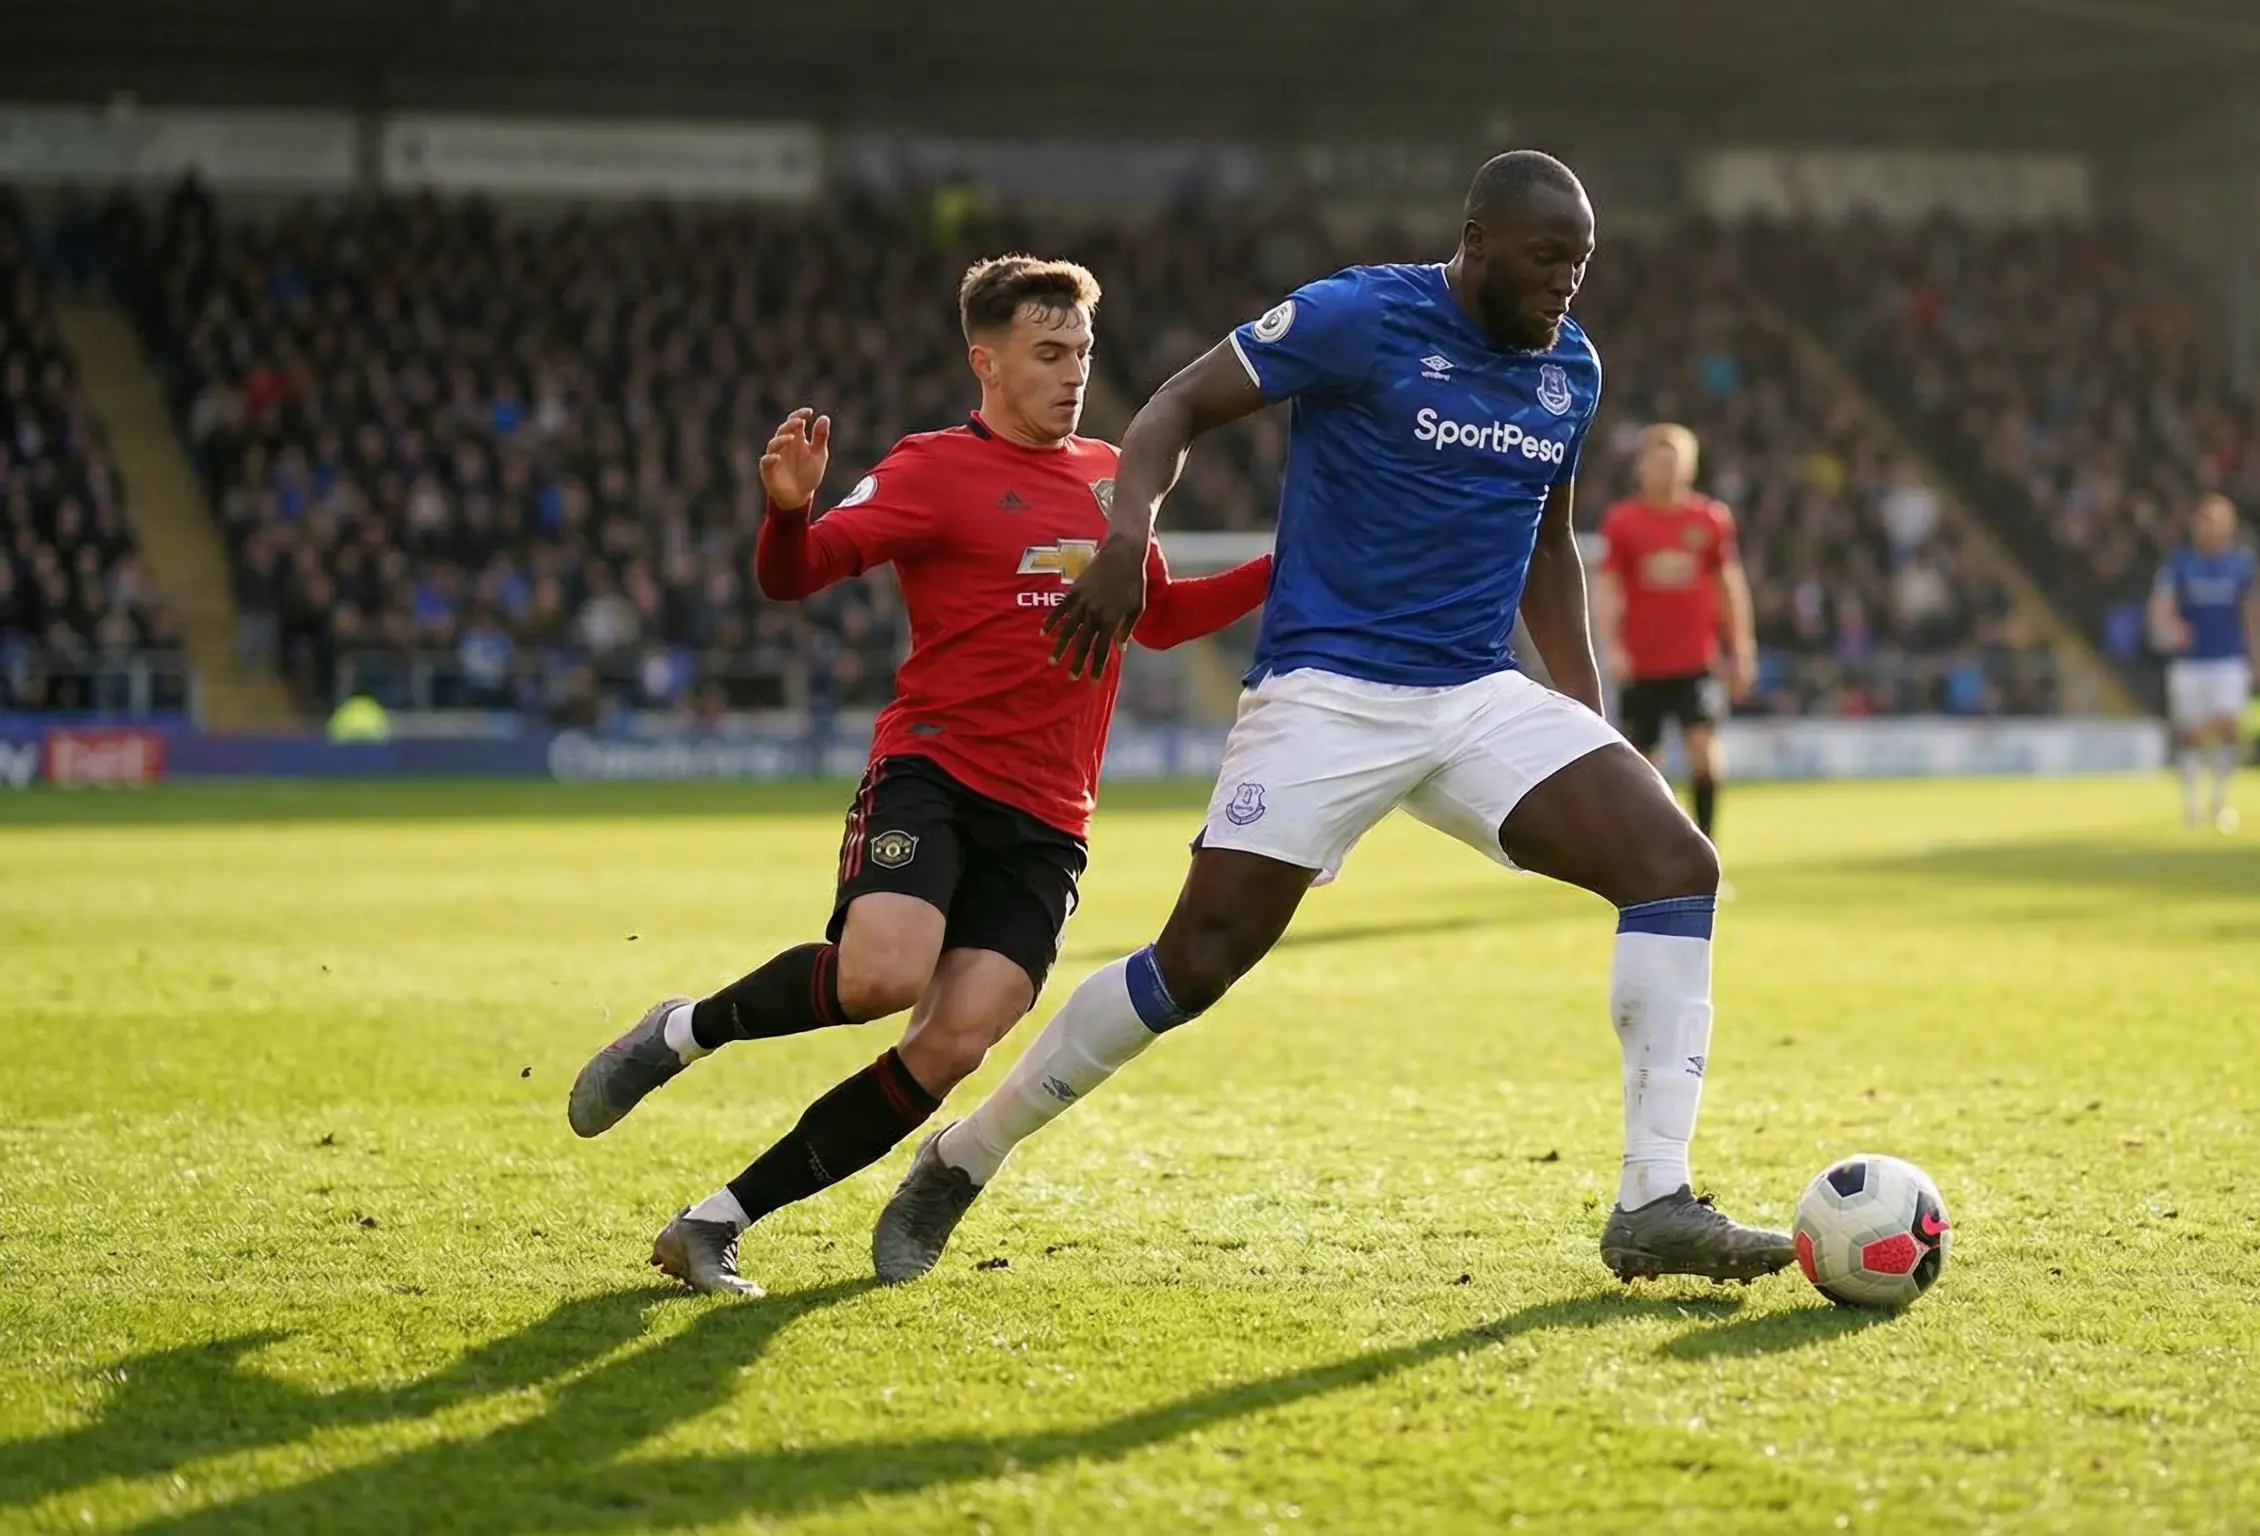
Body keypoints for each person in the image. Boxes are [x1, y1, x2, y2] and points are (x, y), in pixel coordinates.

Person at [864, 150, 1794, 1289]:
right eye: (1548, 260)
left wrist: (1586, 721)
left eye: (1582, 264)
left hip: (1469, 690)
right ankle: (963, 1157)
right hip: (1326, 693)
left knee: (1673, 865)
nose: (1567, 285)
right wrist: (1121, 543)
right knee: (1195, 964)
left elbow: (1546, 548)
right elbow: (1173, 409)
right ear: (1479, 241)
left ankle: (1652, 1197)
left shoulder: (1570, 372)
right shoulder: (1360, 315)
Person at [563, 255, 1272, 1297]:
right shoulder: (929, 468)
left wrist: (1283, 564)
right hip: (934, 767)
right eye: (1048, 351)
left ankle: (715, 1222)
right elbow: (794, 576)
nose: (1072, 369)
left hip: (1049, 813)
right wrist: (787, 514)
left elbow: (1154, 618)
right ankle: (680, 1031)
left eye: (1081, 349)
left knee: (954, 1041)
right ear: (985, 362)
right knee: (880, 976)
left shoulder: (1117, 474)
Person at [1596, 423, 1755, 838]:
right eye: (1659, 462)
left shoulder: (1709, 519)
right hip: (1643, 662)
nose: (1667, 471)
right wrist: (1612, 646)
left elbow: (1729, 586)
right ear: (1642, 467)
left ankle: (1706, 847)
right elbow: (1609, 587)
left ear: (1690, 469)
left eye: (1676, 463)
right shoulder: (1623, 522)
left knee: (1703, 750)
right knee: (1645, 766)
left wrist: (1741, 647)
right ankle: (1650, 849)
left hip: (1696, 660)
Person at [2148, 494, 2260, 831]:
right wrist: (2169, 629)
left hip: (2228, 658)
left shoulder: (2240, 566)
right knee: (2190, 734)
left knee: (2228, 724)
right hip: (2190, 662)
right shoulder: (2179, 564)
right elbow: (2161, 605)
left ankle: (2220, 800)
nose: (2212, 527)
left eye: (2219, 520)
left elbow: (2251, 613)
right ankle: (2191, 804)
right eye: (2206, 520)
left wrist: (2259, 656)